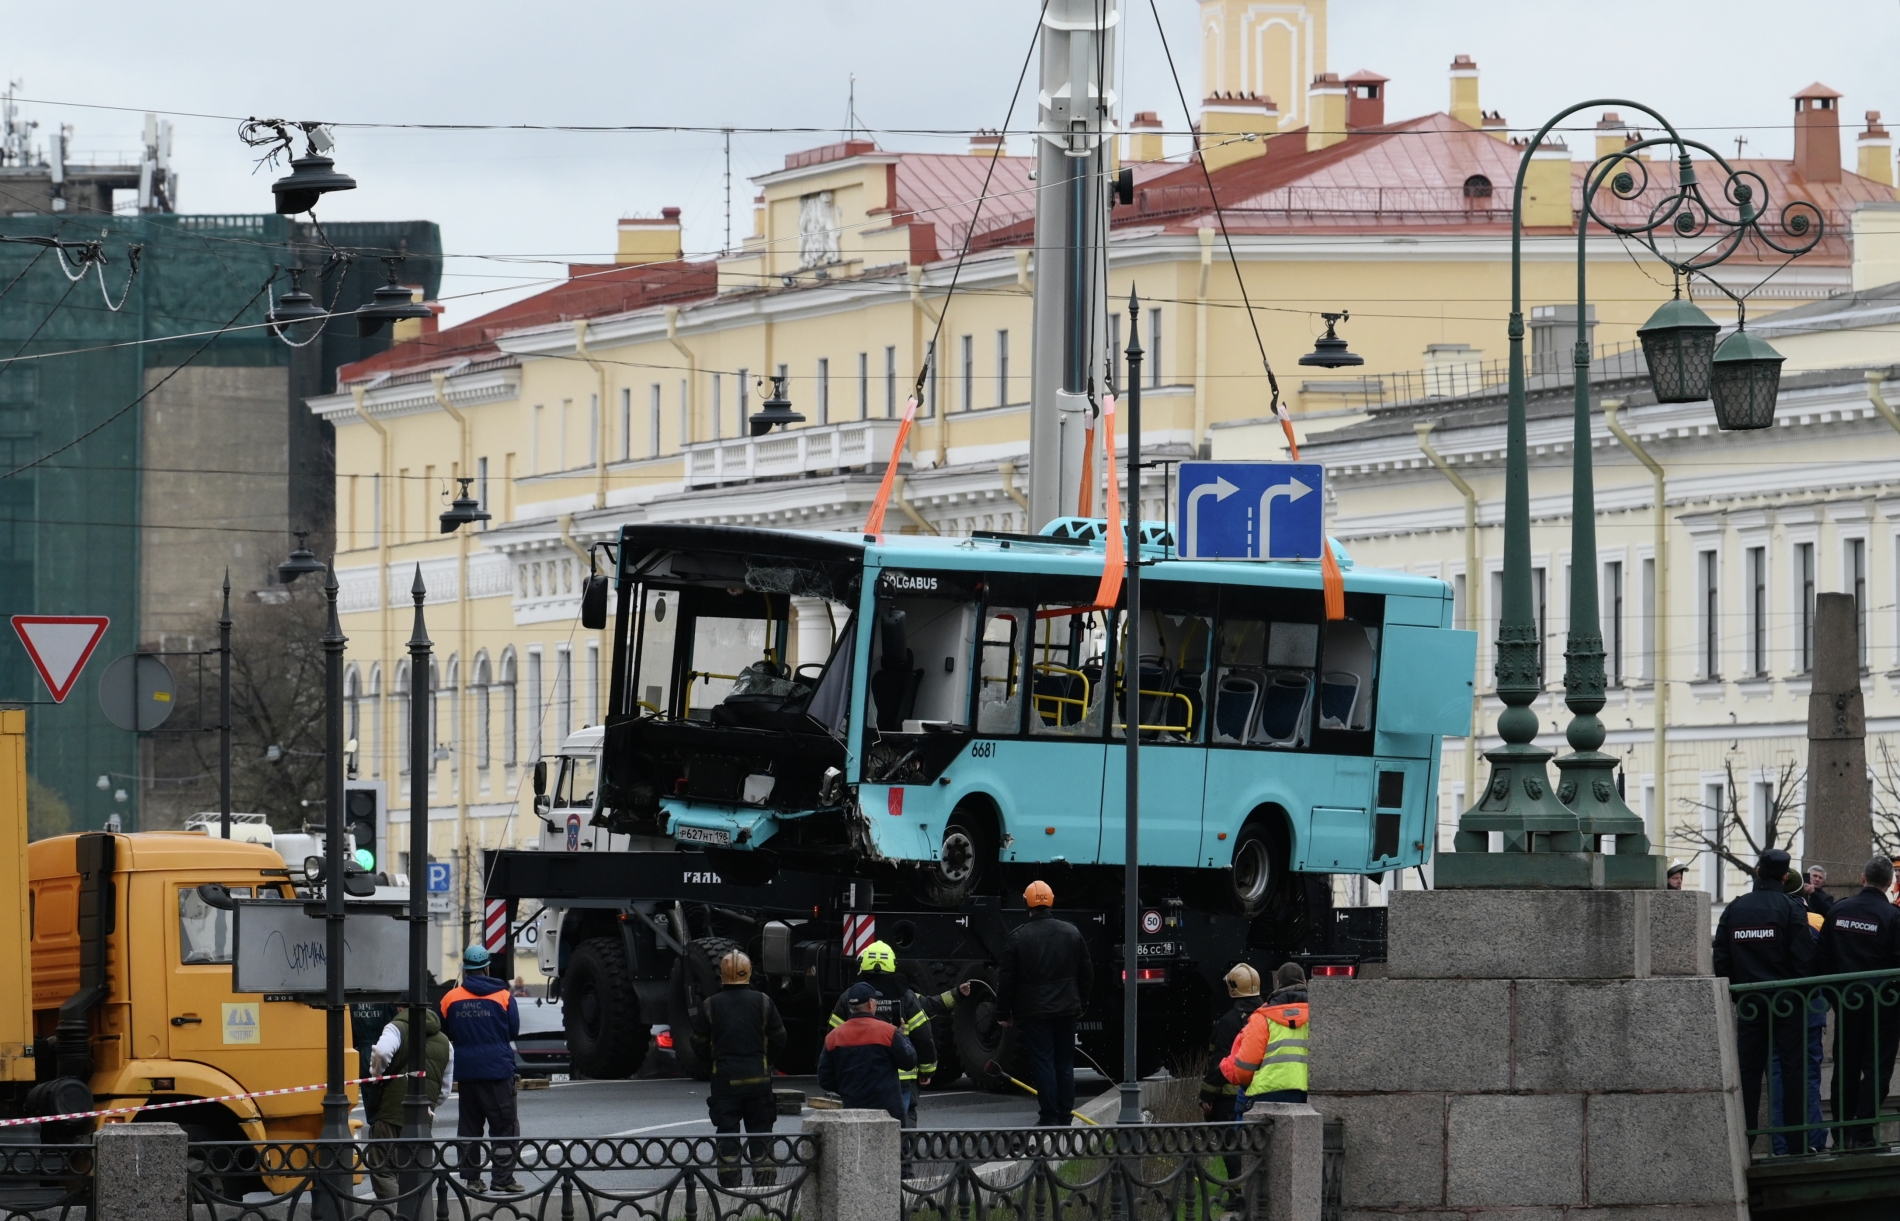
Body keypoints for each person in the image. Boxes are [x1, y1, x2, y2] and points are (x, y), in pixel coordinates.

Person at [1713, 848, 1815, 1155]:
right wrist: (1800, 995)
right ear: (1785, 876)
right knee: (1793, 1071)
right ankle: (1797, 1144)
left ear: (1758, 871)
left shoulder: (1736, 908)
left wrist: (1739, 992)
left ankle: (1744, 1143)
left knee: (1748, 1073)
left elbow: (1722, 956)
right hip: (1787, 1002)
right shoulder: (1790, 908)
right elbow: (1803, 959)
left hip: (1751, 1003)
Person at [1817, 856, 1900, 1149]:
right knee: (1878, 1068)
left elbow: (1821, 961)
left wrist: (1835, 998)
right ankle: (1864, 1133)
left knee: (1845, 1068)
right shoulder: (1892, 916)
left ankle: (1842, 1134)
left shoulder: (1838, 910)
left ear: (1863, 878)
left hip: (1847, 1003)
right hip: (1883, 1007)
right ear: (1890, 883)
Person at [995, 880, 1092, 1127]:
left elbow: (1006, 980)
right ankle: (1065, 1115)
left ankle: (1049, 1116)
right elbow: (1086, 972)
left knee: (1044, 1062)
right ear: (1051, 901)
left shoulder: (1017, 938)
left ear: (1027, 904)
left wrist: (1003, 1012)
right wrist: (1083, 1001)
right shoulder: (1071, 932)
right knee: (1064, 1062)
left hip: (1034, 1012)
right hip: (1067, 1009)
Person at [689, 950, 786, 1188]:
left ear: (722, 975)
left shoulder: (710, 1005)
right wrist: (766, 1062)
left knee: (728, 1136)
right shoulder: (763, 1002)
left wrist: (714, 1064)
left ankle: (729, 1186)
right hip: (758, 1082)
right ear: (749, 972)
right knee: (761, 1134)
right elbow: (779, 1038)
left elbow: (698, 1043)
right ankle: (765, 1185)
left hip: (725, 1083)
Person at [828, 940, 952, 1127]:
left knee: (859, 1127)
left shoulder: (850, 997)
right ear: (892, 964)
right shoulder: (905, 996)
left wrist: (839, 1075)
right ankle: (902, 1154)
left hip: (859, 1076)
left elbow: (833, 1037)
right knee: (901, 1125)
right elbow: (923, 1036)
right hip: (900, 1079)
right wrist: (927, 1070)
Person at [439, 945, 522, 1193]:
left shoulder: (450, 998)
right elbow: (513, 1031)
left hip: (466, 1073)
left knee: (469, 1127)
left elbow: (444, 1032)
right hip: (498, 1072)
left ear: (465, 969)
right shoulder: (504, 996)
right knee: (505, 1126)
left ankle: (472, 1179)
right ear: (487, 967)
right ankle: (503, 1179)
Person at [365, 1007, 454, 1199]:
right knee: (416, 1173)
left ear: (399, 1008)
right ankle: (417, 1213)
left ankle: (398, 1213)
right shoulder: (446, 1042)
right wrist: (428, 1104)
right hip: (423, 1119)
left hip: (391, 1112)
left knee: (383, 1168)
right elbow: (445, 1089)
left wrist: (376, 1074)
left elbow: (381, 1052)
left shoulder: (396, 1028)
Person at [818, 982, 917, 1121]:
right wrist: (902, 1035)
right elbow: (909, 1061)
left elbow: (824, 1079)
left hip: (853, 1111)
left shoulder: (833, 1037)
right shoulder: (888, 1032)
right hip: (888, 1112)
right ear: (871, 1004)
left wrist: (848, 1089)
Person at [1222, 962, 1310, 1108]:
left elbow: (1244, 1070)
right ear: (1305, 982)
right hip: (1311, 1093)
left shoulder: (1262, 1018)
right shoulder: (1319, 1016)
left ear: (1278, 983)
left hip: (1269, 1095)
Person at [1200, 964, 1265, 1122]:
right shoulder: (1267, 1016)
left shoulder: (1229, 1022)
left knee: (1230, 1144)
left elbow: (1219, 1060)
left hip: (1230, 1099)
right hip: (1262, 1094)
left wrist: (1207, 1095)